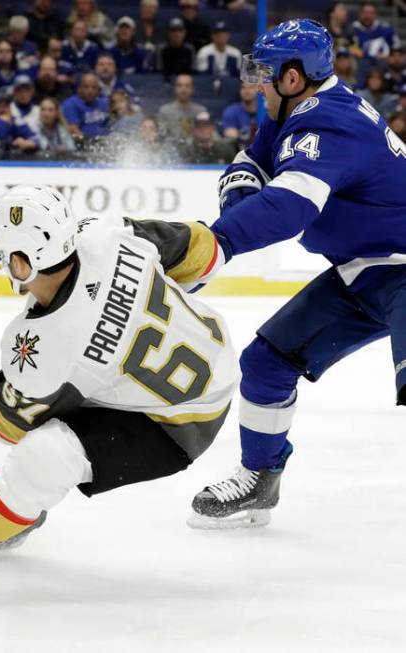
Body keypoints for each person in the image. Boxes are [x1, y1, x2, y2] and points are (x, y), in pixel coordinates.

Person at [0, 185, 239, 599]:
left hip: (176, 428)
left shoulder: (40, 342)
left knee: (42, 458)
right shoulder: (109, 233)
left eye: (4, 257)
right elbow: (202, 247)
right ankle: (16, 516)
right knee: (63, 398)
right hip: (221, 358)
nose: (2, 265)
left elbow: (7, 420)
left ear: (23, 261)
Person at [189, 19, 406, 528]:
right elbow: (249, 164)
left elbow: (288, 208)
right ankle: (260, 480)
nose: (256, 83)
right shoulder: (299, 111)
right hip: (366, 271)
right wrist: (234, 215)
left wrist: (217, 245)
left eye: (264, 73)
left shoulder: (327, 124)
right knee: (266, 363)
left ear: (293, 77)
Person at [157, 74, 205, 145]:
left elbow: (205, 134)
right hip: (171, 151)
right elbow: (161, 136)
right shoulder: (164, 111)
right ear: (175, 88)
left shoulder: (201, 111)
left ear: (192, 89)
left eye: (187, 86)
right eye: (180, 85)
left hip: (195, 151)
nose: (183, 89)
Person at [61, 71, 109, 140]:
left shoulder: (104, 102)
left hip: (107, 139)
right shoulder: (70, 104)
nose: (90, 91)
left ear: (98, 90)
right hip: (86, 142)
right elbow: (73, 130)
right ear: (79, 89)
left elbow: (113, 121)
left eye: (94, 88)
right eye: (86, 87)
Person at [221, 81, 258, 146]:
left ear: (259, 90)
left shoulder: (265, 110)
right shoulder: (231, 111)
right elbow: (230, 134)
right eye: (243, 88)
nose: (247, 91)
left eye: (251, 87)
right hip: (240, 148)